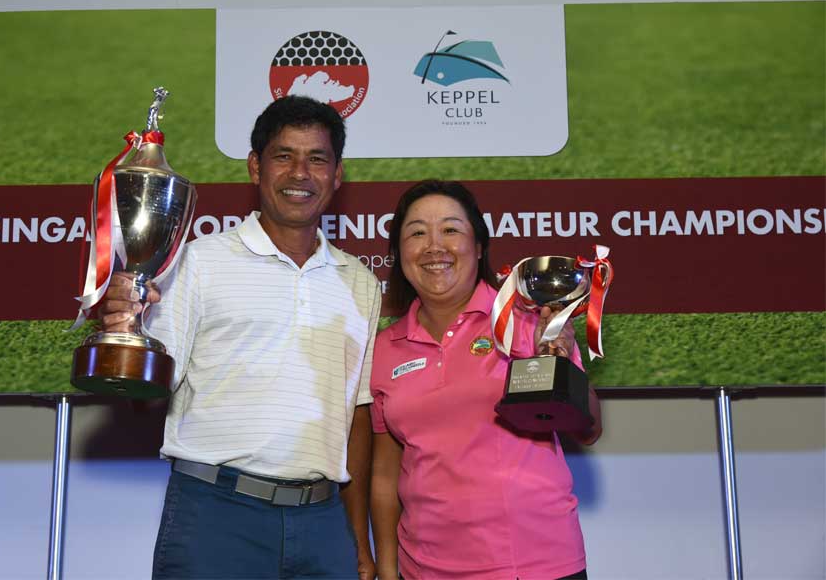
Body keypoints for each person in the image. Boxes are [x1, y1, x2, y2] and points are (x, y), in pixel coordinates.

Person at [98, 95, 380, 579]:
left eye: (317, 159)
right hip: (215, 513)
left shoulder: (361, 282)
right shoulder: (195, 263)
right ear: (255, 167)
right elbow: (149, 394)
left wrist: (357, 537)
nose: (300, 173)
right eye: (283, 156)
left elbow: (356, 415)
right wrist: (124, 333)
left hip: (322, 522)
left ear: (337, 175)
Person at [369, 180, 602, 580]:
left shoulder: (526, 321)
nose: (434, 246)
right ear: (398, 253)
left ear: (478, 247)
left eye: (451, 230)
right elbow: (385, 477)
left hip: (534, 565)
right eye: (417, 233)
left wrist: (561, 368)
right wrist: (388, 570)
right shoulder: (385, 349)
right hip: (424, 569)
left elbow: (589, 429)